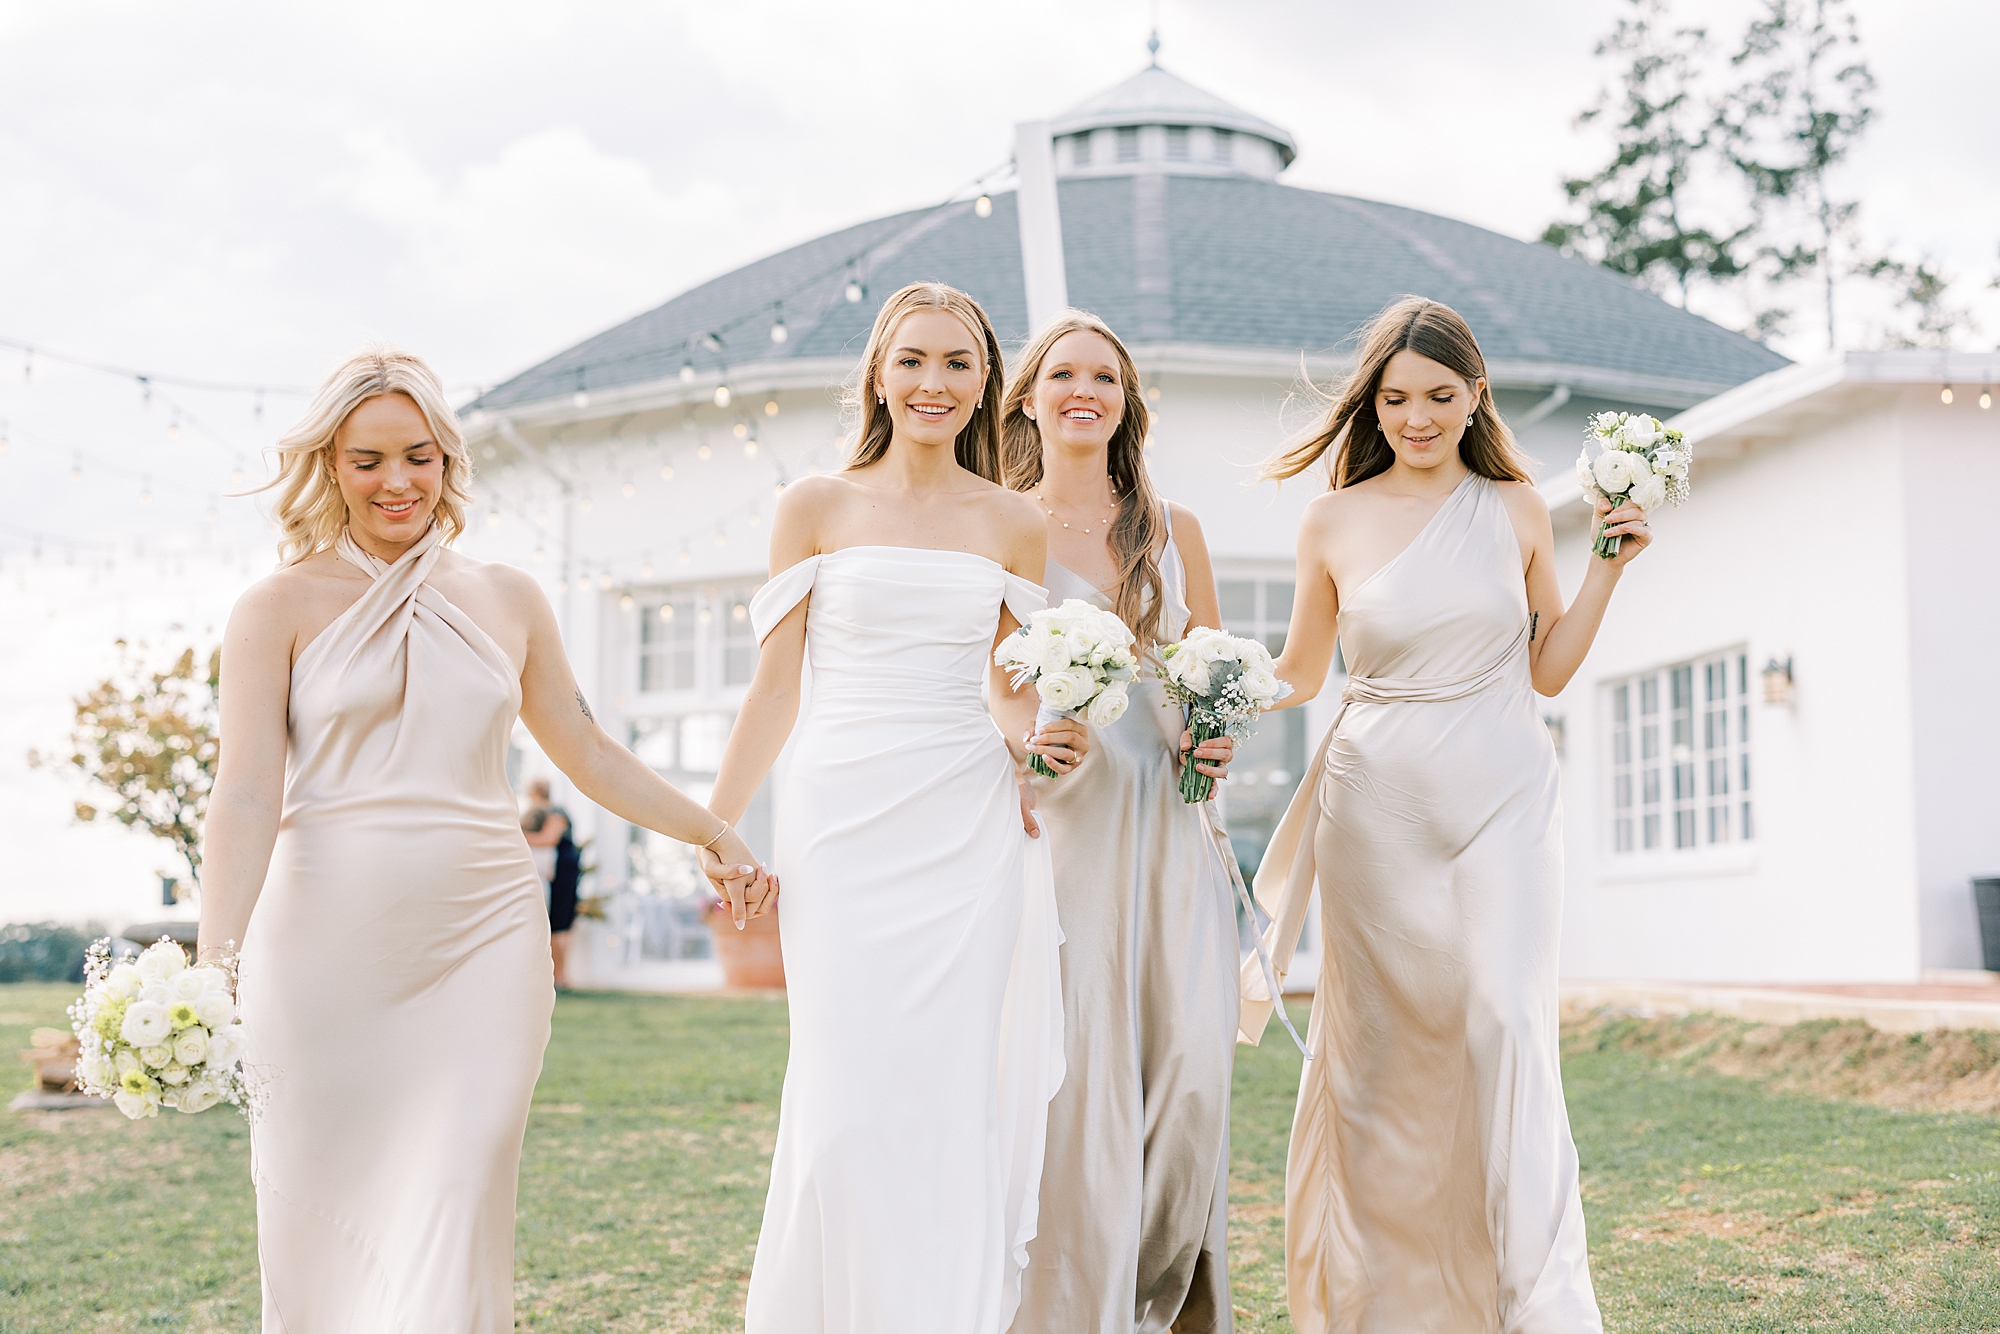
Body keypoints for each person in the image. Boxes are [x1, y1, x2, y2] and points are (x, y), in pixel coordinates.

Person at [198, 346, 771, 1332]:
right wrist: (215, 965)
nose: (397, 482)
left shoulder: (507, 596)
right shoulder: (274, 606)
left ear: (447, 460)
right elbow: (245, 793)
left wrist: (713, 829)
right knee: (323, 1226)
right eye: (368, 459)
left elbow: (586, 748)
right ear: (329, 464)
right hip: (323, 955)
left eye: (418, 456)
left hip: (480, 945)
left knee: (458, 1199)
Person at [1243, 297, 1650, 1333]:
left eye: (1436, 395)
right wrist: (1201, 691)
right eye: (1394, 398)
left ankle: (1535, 1301)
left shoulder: (1514, 504)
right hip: (1375, 803)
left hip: (1504, 790)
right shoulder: (1330, 518)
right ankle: (1384, 1302)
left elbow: (1547, 667)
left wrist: (1607, 565)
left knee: (1504, 1021)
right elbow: (1297, 671)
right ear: (1369, 403)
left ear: (1473, 394)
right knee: (1384, 1052)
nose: (1416, 416)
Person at [703, 282, 1088, 1333]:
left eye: (956, 363)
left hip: (962, 819)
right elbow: (775, 685)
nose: (933, 382)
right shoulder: (814, 505)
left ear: (984, 382)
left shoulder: (1012, 519)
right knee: (844, 1082)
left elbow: (1008, 689)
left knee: (948, 1083)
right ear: (878, 371)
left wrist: (1044, 737)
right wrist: (716, 821)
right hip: (841, 813)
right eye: (912, 359)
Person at [998, 310, 1243, 1333]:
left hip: (1170, 819)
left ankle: (1166, 1295)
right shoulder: (1001, 520)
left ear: (1125, 401)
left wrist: (1217, 733)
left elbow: (1214, 667)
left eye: (1104, 374)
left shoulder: (1169, 527)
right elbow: (993, 674)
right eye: (1062, 373)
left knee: (1191, 1062)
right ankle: (1075, 1307)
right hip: (1066, 823)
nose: (1082, 389)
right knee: (1084, 1070)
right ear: (1028, 398)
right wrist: (1027, 737)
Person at [521, 776, 582, 989]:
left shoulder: (556, 812)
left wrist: (514, 836)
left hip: (563, 869)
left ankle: (561, 976)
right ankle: (555, 975)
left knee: (560, 921)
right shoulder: (540, 812)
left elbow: (549, 839)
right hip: (550, 868)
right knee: (552, 920)